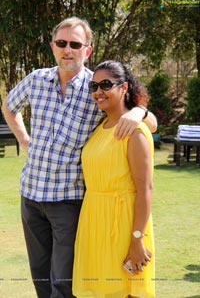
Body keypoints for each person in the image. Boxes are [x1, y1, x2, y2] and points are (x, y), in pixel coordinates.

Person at [2, 17, 156, 298]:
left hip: (69, 201)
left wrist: (139, 112)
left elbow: (145, 120)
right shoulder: (35, 79)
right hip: (31, 197)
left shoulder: (97, 88)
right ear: (52, 46)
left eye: (75, 44)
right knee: (40, 276)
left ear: (87, 50)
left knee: (64, 280)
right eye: (62, 43)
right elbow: (9, 106)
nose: (67, 50)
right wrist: (24, 139)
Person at [73, 60, 155, 298]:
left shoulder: (135, 131)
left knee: (124, 291)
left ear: (124, 87)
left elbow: (145, 189)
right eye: (94, 86)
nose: (99, 91)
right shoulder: (101, 126)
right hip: (95, 220)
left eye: (106, 84)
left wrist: (137, 240)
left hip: (123, 226)